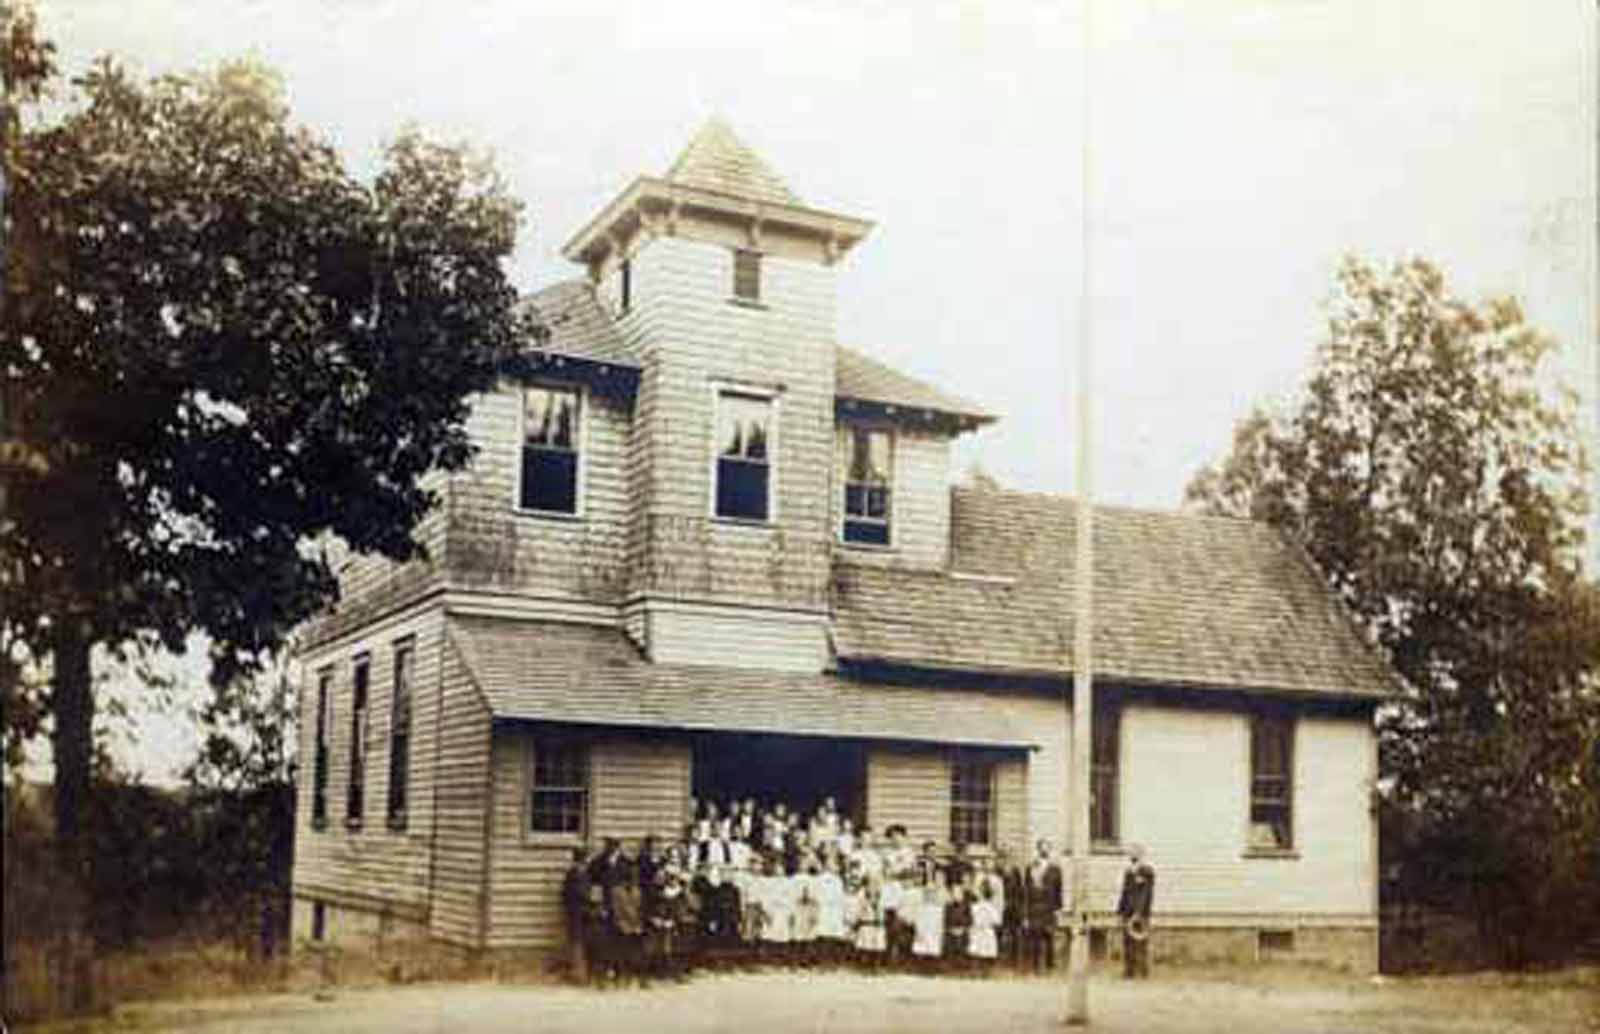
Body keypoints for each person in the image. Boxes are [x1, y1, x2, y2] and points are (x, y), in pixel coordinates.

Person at [1023, 838, 1063, 973]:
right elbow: (1026, 891)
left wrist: (1058, 909)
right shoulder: (1031, 868)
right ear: (1038, 849)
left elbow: (1058, 890)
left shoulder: (1055, 869)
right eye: (1041, 847)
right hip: (1035, 906)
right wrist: (1026, 912)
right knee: (1035, 937)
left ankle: (1049, 965)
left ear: (1049, 850)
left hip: (1049, 907)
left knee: (1049, 936)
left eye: (1047, 848)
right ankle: (1035, 966)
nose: (1044, 850)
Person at [1116, 843, 1156, 979]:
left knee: (1140, 942)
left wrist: (1138, 912)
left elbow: (1146, 893)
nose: (1132, 855)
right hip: (1128, 912)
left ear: (1141, 854)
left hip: (1140, 913)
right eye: (1131, 853)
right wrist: (1120, 912)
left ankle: (1143, 971)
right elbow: (1124, 892)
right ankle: (1129, 971)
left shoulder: (1147, 871)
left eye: (1135, 852)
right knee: (1127, 942)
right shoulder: (1128, 871)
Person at [561, 846, 594, 984]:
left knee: (583, 942)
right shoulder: (574, 874)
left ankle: (581, 973)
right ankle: (578, 975)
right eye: (585, 858)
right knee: (576, 943)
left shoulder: (584, 873)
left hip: (584, 912)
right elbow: (569, 894)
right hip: (576, 912)